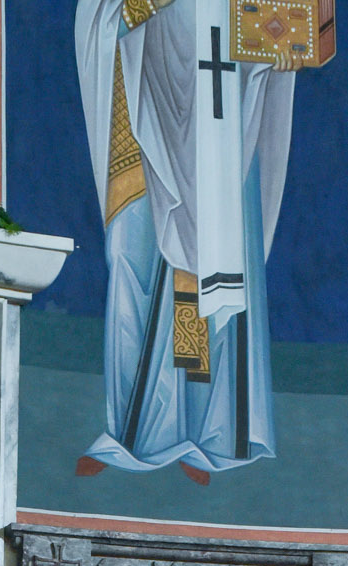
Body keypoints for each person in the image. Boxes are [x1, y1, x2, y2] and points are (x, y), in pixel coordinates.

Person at [74, 0, 301, 482]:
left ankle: (208, 429)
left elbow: (273, 22)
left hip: (222, 117)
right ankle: (137, 430)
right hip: (148, 101)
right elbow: (98, 14)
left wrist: (278, 54)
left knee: (214, 257)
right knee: (132, 258)